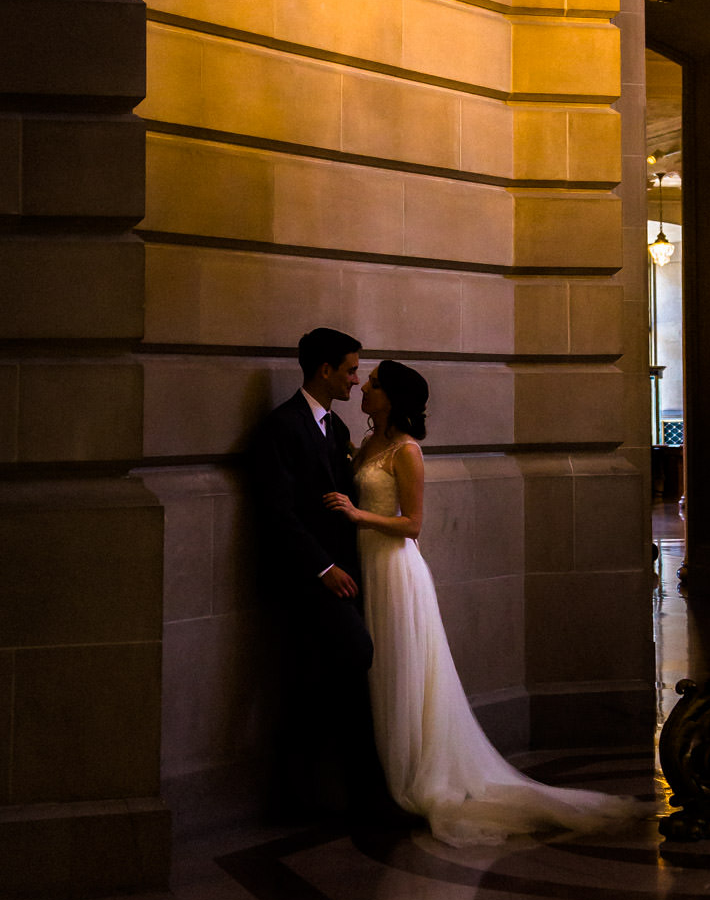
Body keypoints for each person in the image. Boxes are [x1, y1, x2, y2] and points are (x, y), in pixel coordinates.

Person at [324, 360, 643, 847]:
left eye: (372, 383)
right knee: (379, 673)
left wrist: (356, 513)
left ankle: (410, 777)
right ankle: (382, 775)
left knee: (400, 669)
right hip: (365, 566)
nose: (363, 386)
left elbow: (413, 526)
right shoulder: (368, 443)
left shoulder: (407, 451)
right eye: (362, 378)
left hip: (394, 569)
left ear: (392, 396)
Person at [247, 326, 396, 824]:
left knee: (327, 679)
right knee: (351, 657)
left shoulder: (336, 431)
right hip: (307, 581)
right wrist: (323, 567)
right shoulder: (280, 427)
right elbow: (277, 511)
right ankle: (344, 793)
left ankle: (338, 795)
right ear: (325, 370)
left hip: (345, 577)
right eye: (351, 370)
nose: (357, 381)